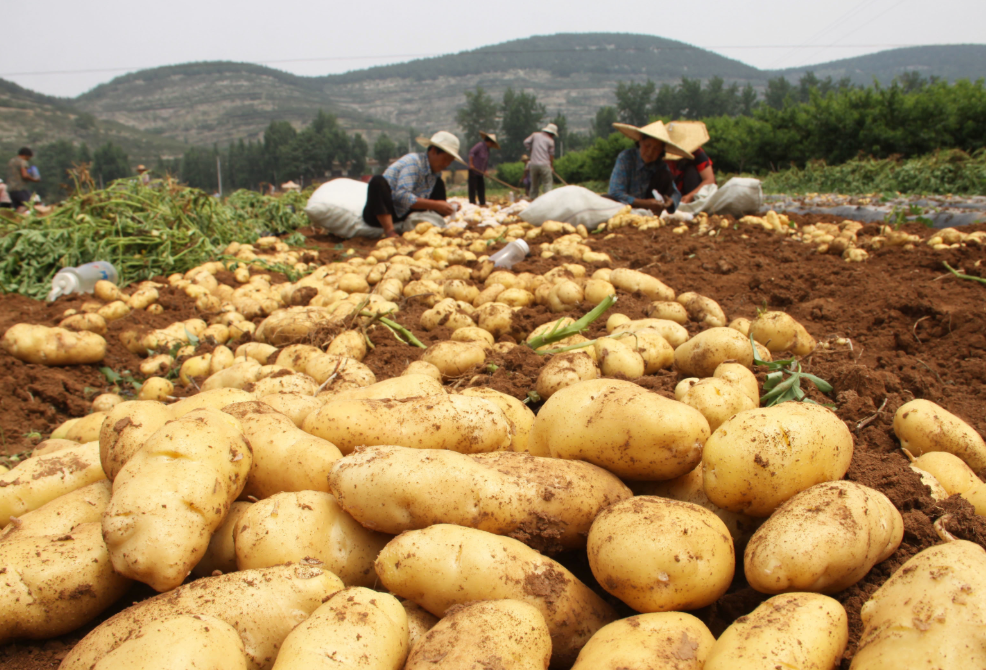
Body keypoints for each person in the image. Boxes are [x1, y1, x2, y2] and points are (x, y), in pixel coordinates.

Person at [362, 130, 461, 238]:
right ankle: (389, 231)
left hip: (404, 214)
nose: (446, 164)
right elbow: (402, 196)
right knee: (377, 181)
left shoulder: (435, 175)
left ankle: (433, 223)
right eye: (445, 159)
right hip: (383, 211)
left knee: (439, 185)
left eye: (450, 162)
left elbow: (427, 201)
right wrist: (436, 204)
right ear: (433, 151)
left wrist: (448, 206)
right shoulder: (413, 162)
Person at [606, 121, 693, 215]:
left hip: (651, 210)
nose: (650, 152)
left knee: (664, 175)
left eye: (656, 149)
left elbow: (676, 194)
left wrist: (670, 201)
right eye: (647, 146)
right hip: (623, 207)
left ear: (661, 151)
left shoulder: (661, 166)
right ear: (640, 141)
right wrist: (645, 203)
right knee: (606, 199)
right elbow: (615, 192)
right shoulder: (625, 158)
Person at [665, 121, 716, 204]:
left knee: (691, 172)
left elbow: (709, 179)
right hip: (670, 193)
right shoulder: (660, 152)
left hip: (693, 192)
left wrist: (690, 196)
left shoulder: (696, 152)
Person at [523, 123, 557, 198]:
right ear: (551, 133)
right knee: (547, 184)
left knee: (534, 185)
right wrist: (551, 166)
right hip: (545, 165)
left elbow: (526, 142)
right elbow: (551, 155)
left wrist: (531, 150)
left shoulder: (535, 135)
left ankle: (532, 200)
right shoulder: (550, 141)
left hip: (534, 164)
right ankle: (548, 201)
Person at [467, 131, 499, 207]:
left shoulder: (488, 150)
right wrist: (471, 164)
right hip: (474, 170)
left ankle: (482, 203)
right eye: (491, 143)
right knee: (473, 188)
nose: (491, 145)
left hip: (480, 172)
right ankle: (472, 204)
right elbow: (471, 153)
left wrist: (485, 170)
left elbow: (485, 161)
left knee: (481, 188)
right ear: (488, 141)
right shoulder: (480, 145)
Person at [6, 147, 40, 212]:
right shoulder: (22, 162)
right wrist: (34, 180)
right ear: (25, 155)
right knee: (28, 203)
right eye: (28, 157)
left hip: (10, 188)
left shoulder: (11, 161)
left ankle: (13, 219)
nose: (28, 159)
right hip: (20, 188)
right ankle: (17, 218)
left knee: (17, 206)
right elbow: (25, 175)